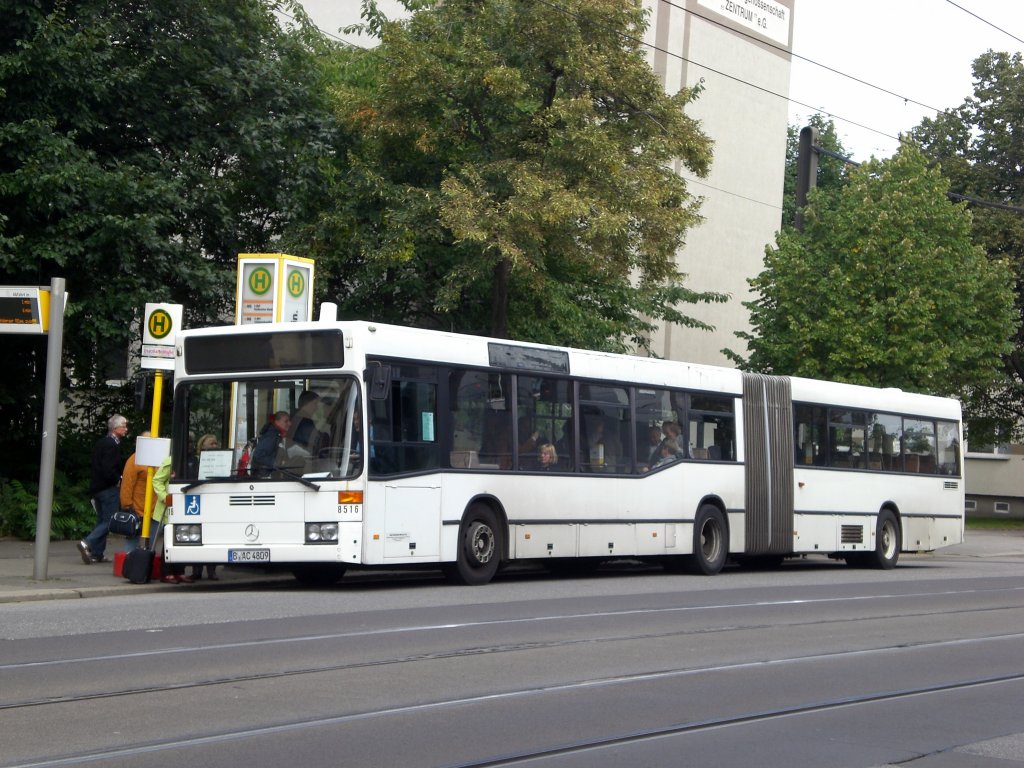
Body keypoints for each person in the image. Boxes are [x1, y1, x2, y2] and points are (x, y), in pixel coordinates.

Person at [78, 414, 129, 565]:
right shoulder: (111, 445)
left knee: (101, 520)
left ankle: (97, 553)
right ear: (115, 428)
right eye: (124, 426)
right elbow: (109, 469)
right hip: (108, 488)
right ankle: (87, 542)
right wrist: (118, 480)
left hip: (97, 488)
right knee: (110, 521)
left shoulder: (101, 442)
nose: (126, 429)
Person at [151, 454, 192, 584]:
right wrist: (164, 497)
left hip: (186, 504)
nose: (189, 445)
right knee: (169, 540)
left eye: (191, 442)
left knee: (184, 538)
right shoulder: (170, 461)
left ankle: (179, 571)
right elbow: (157, 480)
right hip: (170, 506)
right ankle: (167, 572)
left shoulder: (193, 459)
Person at [117, 430, 151, 552]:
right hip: (137, 509)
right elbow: (127, 484)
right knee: (133, 539)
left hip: (155, 510)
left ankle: (145, 566)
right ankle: (129, 564)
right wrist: (127, 505)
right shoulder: (134, 460)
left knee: (151, 542)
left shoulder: (158, 460)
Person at [250, 411, 290, 476]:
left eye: (289, 421)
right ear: (277, 422)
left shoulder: (278, 435)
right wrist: (277, 463)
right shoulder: (271, 436)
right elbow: (258, 455)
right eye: (286, 421)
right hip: (264, 478)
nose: (289, 423)